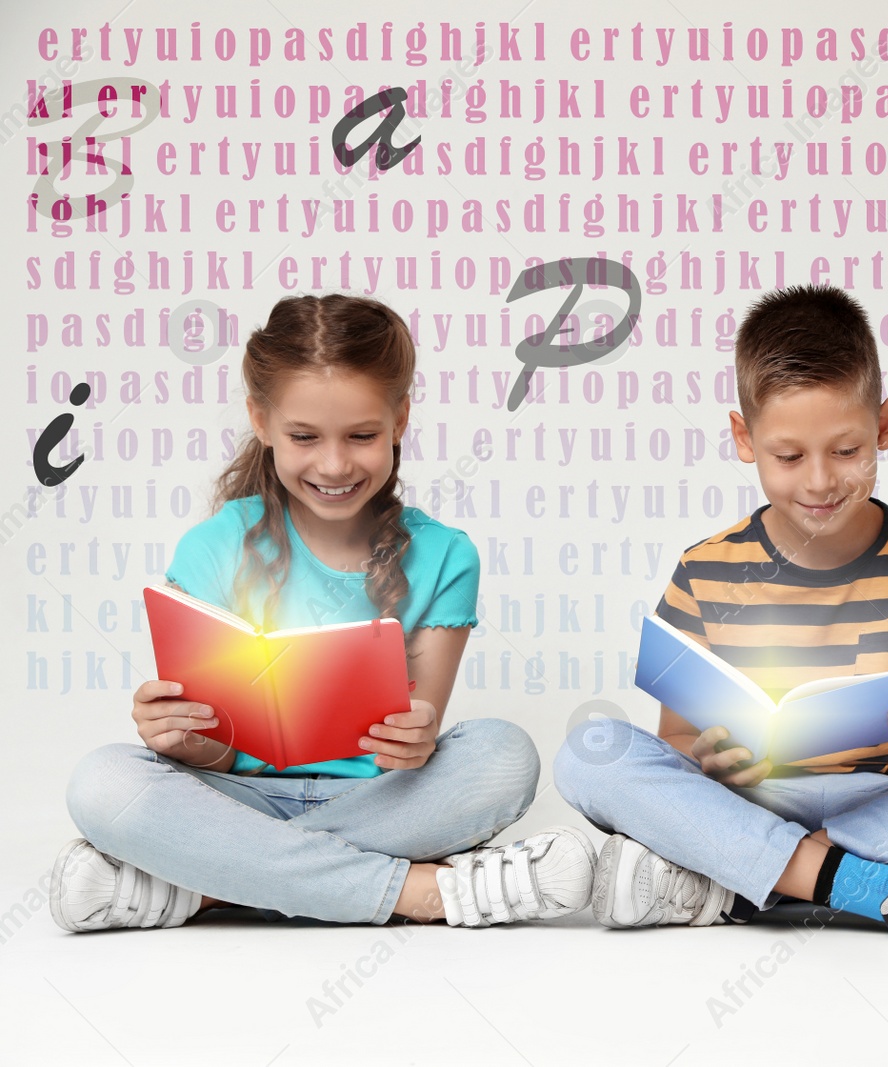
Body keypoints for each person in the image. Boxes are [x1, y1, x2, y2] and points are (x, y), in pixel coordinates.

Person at [51, 293, 593, 932]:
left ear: (400, 419)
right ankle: (422, 893)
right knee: (102, 782)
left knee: (505, 754)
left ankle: (204, 889)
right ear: (260, 420)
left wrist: (415, 738)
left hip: (381, 800)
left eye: (362, 436)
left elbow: (413, 745)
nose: (334, 464)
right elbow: (218, 756)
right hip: (238, 799)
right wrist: (185, 739)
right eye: (303, 437)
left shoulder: (446, 555)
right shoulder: (213, 548)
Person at [555, 285, 888, 941]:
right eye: (789, 456)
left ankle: (744, 880)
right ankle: (873, 889)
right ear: (744, 438)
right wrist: (714, 760)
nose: (821, 481)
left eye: (848, 450)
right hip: (754, 798)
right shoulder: (704, 570)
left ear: (884, 425)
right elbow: (679, 748)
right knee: (590, 753)